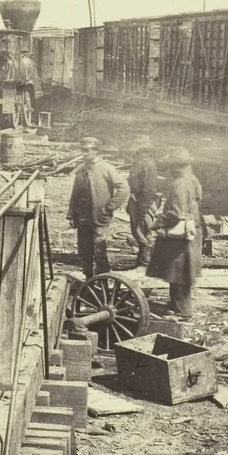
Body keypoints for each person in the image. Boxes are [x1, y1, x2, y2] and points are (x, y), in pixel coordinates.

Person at [147, 147, 204, 318]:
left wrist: (157, 222)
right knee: (177, 270)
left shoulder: (179, 183)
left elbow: (177, 212)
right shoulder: (193, 179)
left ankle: (183, 311)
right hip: (191, 230)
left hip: (179, 235)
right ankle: (174, 304)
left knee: (179, 272)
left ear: (176, 166)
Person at [67, 137, 130, 279]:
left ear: (96, 151)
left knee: (100, 251)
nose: (83, 153)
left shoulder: (107, 168)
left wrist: (110, 207)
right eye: (82, 150)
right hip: (82, 217)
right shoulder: (81, 169)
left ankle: (103, 285)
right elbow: (75, 194)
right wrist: (71, 214)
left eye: (87, 150)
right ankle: (88, 284)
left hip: (99, 217)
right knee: (84, 252)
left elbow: (123, 188)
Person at [127, 135, 160, 268]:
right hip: (136, 202)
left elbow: (149, 190)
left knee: (146, 236)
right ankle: (141, 263)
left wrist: (143, 208)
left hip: (144, 204)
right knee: (138, 233)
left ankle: (145, 265)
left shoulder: (148, 165)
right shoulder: (138, 163)